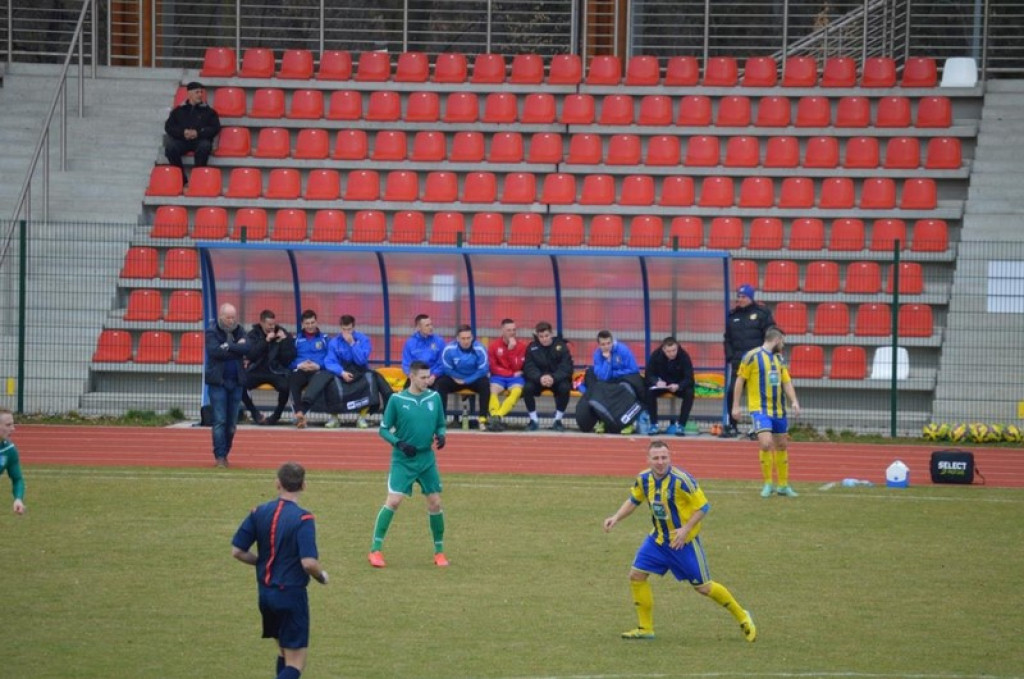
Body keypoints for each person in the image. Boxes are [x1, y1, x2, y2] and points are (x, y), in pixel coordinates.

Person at [603, 440, 757, 642]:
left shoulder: (683, 480)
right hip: (658, 541)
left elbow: (703, 507)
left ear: (670, 457)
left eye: (664, 457)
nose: (660, 462)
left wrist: (685, 530)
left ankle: (743, 616)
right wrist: (616, 517)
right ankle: (645, 628)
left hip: (683, 543)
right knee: (636, 575)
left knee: (704, 587)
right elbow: (634, 500)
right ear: (648, 459)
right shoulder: (643, 479)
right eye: (656, 458)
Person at [232, 462, 328, 679]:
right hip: (291, 595)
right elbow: (308, 563)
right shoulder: (304, 518)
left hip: (265, 594)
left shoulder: (258, 512)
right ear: (304, 485)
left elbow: (237, 551)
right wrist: (321, 576)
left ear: (277, 483)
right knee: (295, 663)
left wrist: (262, 562)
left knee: (283, 652)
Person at [369, 361, 449, 568]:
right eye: (423, 377)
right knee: (394, 501)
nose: (427, 381)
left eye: (428, 377)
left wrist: (441, 435)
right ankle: (375, 550)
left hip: (426, 460)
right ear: (412, 377)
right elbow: (384, 429)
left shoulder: (434, 397)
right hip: (403, 460)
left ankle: (439, 552)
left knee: (435, 503)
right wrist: (400, 444)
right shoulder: (397, 400)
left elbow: (441, 423)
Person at [731, 326, 801, 498]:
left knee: (782, 445)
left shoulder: (780, 359)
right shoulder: (751, 356)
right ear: (776, 340)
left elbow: (786, 382)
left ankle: (783, 486)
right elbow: (740, 380)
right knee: (765, 443)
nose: (783, 345)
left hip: (779, 410)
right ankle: (768, 483)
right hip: (759, 409)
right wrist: (736, 405)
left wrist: (794, 401)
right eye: (783, 341)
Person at [723, 284, 775, 438]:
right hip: (739, 362)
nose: (740, 299)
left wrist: (766, 355)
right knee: (732, 392)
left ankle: (758, 428)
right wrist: (730, 357)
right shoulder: (732, 315)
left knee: (758, 396)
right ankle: (732, 425)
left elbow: (771, 334)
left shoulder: (762, 313)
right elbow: (727, 339)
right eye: (738, 296)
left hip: (758, 363)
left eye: (743, 296)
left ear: (751, 298)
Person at [324, 314, 393, 429]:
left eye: (349, 329)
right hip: (342, 372)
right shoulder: (334, 342)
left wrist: (352, 344)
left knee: (370, 380)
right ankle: (334, 418)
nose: (347, 332)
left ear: (354, 327)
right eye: (344, 329)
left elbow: (362, 360)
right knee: (329, 382)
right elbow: (330, 362)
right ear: (340, 328)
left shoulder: (363, 339)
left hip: (360, 371)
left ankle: (362, 417)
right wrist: (341, 372)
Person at [205, 302, 251, 467]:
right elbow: (214, 352)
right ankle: (220, 456)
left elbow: (247, 348)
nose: (232, 321)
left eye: (233, 317)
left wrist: (228, 346)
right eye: (228, 317)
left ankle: (226, 452)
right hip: (218, 382)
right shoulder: (211, 332)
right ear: (221, 317)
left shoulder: (240, 330)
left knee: (231, 424)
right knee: (219, 420)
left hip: (236, 382)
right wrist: (235, 349)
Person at [584, 329, 646, 435]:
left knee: (624, 389)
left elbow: (633, 369)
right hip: (609, 381)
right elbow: (603, 377)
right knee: (601, 389)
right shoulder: (597, 355)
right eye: (603, 344)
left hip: (625, 379)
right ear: (599, 345)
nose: (606, 346)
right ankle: (603, 421)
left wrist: (614, 373)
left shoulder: (623, 350)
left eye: (608, 343)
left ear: (612, 342)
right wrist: (608, 361)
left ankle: (628, 423)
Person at [241, 309, 296, 426]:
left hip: (275, 371)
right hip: (256, 370)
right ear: (261, 323)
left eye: (273, 324)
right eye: (269, 324)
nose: (272, 327)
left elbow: (288, 359)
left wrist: (284, 341)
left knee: (285, 386)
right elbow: (251, 355)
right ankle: (255, 413)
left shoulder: (282, 333)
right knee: (239, 384)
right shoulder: (253, 335)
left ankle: (276, 416)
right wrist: (265, 341)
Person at [287, 310, 338, 429]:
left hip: (318, 371)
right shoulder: (296, 340)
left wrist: (318, 365)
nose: (310, 326)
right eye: (307, 323)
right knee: (293, 381)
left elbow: (331, 358)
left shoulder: (325, 339)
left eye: (312, 322)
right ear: (303, 324)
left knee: (316, 386)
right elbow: (289, 360)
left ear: (316, 322)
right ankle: (300, 412)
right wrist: (299, 365)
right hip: (301, 370)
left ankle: (300, 413)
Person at [163, 81, 221, 186]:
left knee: (204, 147)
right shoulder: (178, 110)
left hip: (200, 140)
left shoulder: (210, 112)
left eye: (201, 92)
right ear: (189, 94)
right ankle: (180, 178)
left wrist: (198, 133)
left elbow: (215, 128)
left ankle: (197, 179)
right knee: (171, 147)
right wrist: (183, 133)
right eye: (197, 92)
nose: (200, 95)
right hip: (182, 140)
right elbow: (169, 127)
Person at [435, 325, 492, 430]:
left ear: (472, 338)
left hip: (473, 379)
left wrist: (466, 380)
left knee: (485, 383)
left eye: (468, 338)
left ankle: (483, 419)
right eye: (463, 338)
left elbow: (483, 370)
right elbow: (446, 369)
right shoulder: (449, 349)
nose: (466, 341)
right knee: (441, 383)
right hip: (455, 379)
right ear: (457, 339)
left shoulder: (480, 348)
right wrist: (457, 378)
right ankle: (441, 419)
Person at [521, 321, 574, 432]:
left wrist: (553, 377)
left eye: (546, 336)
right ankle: (533, 420)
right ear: (537, 336)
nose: (544, 339)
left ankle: (558, 421)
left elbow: (566, 367)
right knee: (527, 388)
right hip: (538, 380)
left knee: (565, 388)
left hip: (556, 380)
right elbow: (528, 367)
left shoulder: (561, 346)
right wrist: (539, 378)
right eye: (541, 336)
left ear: (551, 334)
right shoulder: (532, 348)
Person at [644, 337, 695, 436]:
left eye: (674, 350)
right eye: (668, 351)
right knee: (649, 392)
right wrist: (656, 382)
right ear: (663, 349)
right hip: (662, 385)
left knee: (689, 393)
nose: (672, 353)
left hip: (677, 385)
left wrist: (679, 385)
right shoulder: (656, 355)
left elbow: (689, 378)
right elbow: (649, 374)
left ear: (677, 347)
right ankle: (654, 424)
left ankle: (681, 425)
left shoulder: (684, 356)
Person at [486, 318, 527, 432]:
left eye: (514, 330)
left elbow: (518, 367)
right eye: (509, 330)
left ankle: (497, 416)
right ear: (502, 331)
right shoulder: (494, 346)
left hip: (515, 379)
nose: (512, 333)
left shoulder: (522, 346)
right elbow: (493, 367)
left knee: (517, 391)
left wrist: (511, 350)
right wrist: (510, 373)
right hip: (500, 377)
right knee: (492, 390)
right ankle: (494, 415)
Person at [400, 314, 445, 386]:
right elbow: (406, 364)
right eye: (427, 325)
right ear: (418, 327)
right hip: (415, 378)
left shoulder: (439, 341)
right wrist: (414, 377)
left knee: (440, 388)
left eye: (431, 324)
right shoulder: (410, 343)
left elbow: (442, 363)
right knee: (406, 392)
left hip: (433, 377)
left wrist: (434, 375)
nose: (431, 327)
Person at [0, 409, 26, 515]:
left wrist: (18, 499)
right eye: (8, 425)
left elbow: (17, 479)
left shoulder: (9, 450)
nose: (13, 429)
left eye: (12, 424)